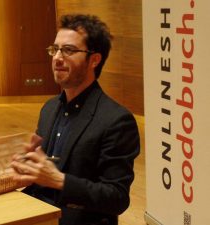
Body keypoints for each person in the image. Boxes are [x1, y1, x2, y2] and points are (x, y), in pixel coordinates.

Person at [11, 14, 140, 225]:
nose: (57, 58)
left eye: (69, 50)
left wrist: (59, 180)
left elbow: (116, 198)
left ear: (94, 60)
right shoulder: (50, 108)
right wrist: (25, 166)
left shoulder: (116, 120)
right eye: (55, 49)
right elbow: (42, 173)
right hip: (35, 214)